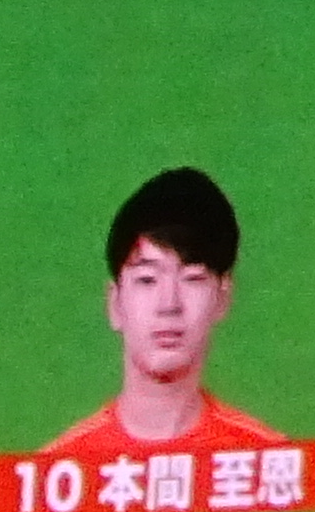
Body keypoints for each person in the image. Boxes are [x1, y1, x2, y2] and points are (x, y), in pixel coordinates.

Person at [30, 166, 295, 460]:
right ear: (115, 303)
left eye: (192, 278)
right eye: (147, 280)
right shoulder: (59, 469)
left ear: (222, 298)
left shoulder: (266, 461)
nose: (169, 304)